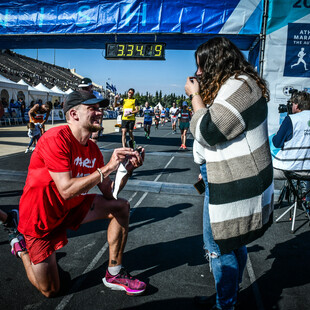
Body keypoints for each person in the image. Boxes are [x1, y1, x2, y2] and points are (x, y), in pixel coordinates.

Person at [14, 91, 146, 298]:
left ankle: (114, 273)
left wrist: (126, 169)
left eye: (99, 108)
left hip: (69, 208)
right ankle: (22, 249)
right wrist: (109, 167)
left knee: (120, 206)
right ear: (74, 114)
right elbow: (65, 190)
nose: (99, 112)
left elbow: (111, 194)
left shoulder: (92, 149)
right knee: (51, 291)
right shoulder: (55, 139)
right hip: (40, 219)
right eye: (92, 108)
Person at [185, 37, 274, 310]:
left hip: (234, 179)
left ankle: (226, 304)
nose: (199, 73)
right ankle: (229, 295)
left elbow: (210, 131)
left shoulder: (239, 85)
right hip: (224, 174)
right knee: (233, 241)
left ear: (216, 61)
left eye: (201, 66)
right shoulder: (238, 84)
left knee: (219, 246)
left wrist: (195, 95)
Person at [273, 90, 310, 178]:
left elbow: (277, 143)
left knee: (265, 174)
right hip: (308, 169)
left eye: (292, 104)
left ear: (296, 105)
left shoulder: (291, 119)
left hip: (288, 168)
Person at [78, 77, 108, 143]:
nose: (84, 89)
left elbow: (100, 112)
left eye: (86, 87)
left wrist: (98, 126)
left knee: (93, 141)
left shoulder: (98, 95)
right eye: (82, 88)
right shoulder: (79, 96)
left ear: (91, 86)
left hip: (94, 121)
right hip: (83, 121)